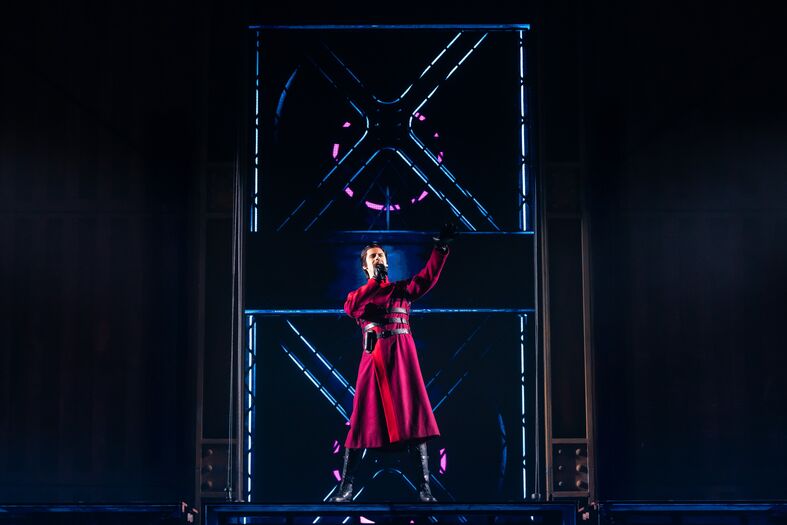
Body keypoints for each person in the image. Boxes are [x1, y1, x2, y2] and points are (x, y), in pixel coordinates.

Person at [330, 223, 457, 503]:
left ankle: (425, 488)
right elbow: (351, 308)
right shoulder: (358, 295)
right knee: (363, 418)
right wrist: (374, 283)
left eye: (381, 255)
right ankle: (346, 487)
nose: (378, 258)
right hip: (374, 361)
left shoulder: (402, 290)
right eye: (372, 256)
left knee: (414, 417)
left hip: (402, 360)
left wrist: (440, 249)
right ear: (365, 266)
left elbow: (427, 278)